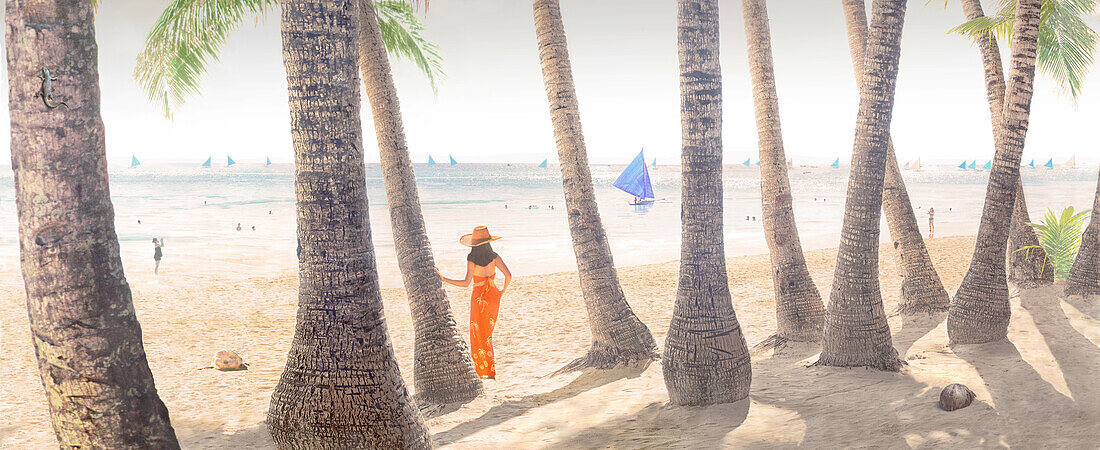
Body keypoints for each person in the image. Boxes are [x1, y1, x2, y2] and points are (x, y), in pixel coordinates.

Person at [437, 226, 511, 380]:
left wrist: (445, 279)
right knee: (488, 334)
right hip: (493, 297)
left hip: (478, 299)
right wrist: (501, 292)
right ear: (488, 242)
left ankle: (483, 371)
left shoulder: (471, 259)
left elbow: (465, 283)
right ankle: (489, 371)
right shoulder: (495, 256)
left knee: (478, 334)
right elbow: (508, 275)